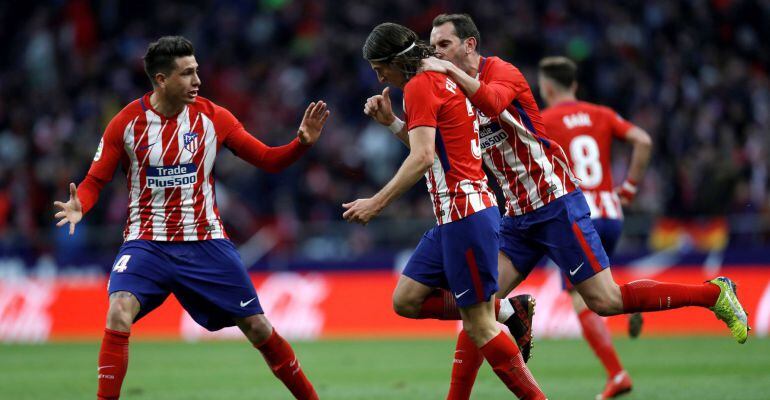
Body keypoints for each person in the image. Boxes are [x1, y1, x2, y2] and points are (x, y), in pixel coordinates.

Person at [367, 13, 749, 400]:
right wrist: (396, 124)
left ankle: (714, 294)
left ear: (470, 45)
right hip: (515, 216)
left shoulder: (502, 72)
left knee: (605, 300)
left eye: (445, 44)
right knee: (480, 308)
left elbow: (494, 101)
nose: (437, 52)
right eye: (432, 45)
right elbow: (441, 155)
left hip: (554, 203)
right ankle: (502, 331)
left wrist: (447, 72)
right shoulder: (447, 87)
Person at [53, 36, 328, 400]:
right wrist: (79, 206)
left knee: (259, 327)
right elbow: (93, 181)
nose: (197, 80)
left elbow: (268, 159)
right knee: (118, 311)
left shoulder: (214, 117)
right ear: (161, 79)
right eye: (187, 74)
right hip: (147, 243)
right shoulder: (126, 124)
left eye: (196, 71)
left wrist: (301, 144)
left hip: (206, 242)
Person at [346, 22, 547, 399]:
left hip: (465, 215)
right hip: (455, 217)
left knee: (479, 326)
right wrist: (391, 122)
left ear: (396, 61)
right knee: (406, 299)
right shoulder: (437, 79)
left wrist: (376, 202)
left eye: (379, 67)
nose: (378, 76)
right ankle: (508, 310)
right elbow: (435, 149)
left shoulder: (421, 86)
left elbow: (422, 157)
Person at [538, 55, 653, 399]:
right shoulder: (601, 114)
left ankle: (617, 374)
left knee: (579, 297)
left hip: (575, 213)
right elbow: (643, 140)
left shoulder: (543, 120)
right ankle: (634, 302)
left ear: (546, 88)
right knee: (601, 286)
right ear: (574, 84)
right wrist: (629, 187)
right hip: (611, 211)